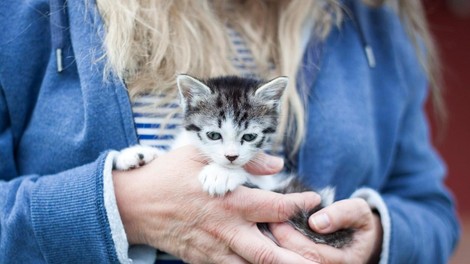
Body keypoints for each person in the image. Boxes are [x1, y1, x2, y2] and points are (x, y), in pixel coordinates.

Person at [0, 0, 460, 263]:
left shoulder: (370, 16)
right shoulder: (22, 14)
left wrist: (376, 239)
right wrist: (122, 208)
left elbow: (432, 210)